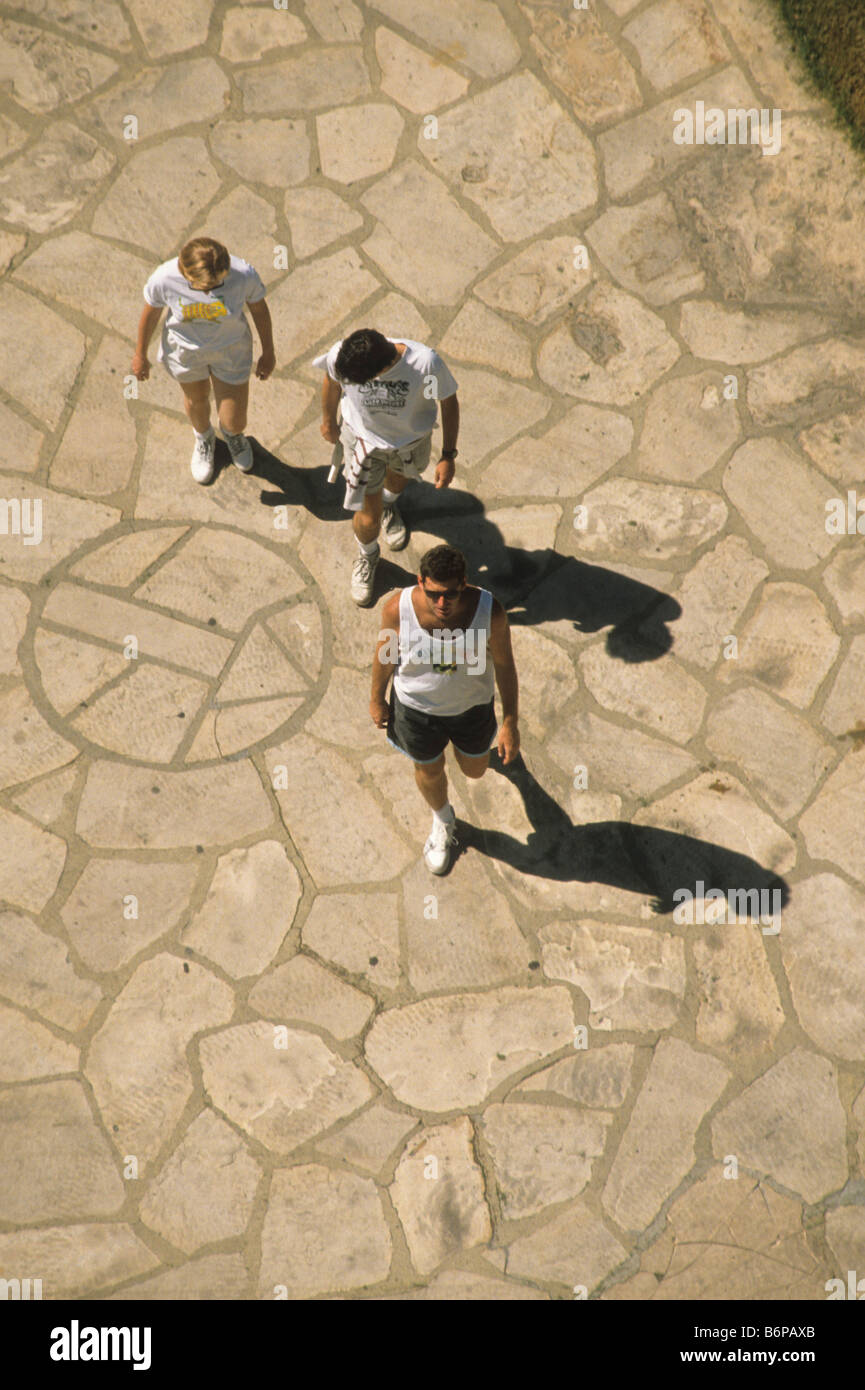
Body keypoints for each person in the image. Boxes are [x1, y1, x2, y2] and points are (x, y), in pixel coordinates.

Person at [370, 544, 520, 874]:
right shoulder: (398, 609)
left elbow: (505, 665)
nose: (443, 603)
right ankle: (443, 820)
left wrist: (510, 721)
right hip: (415, 710)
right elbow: (386, 655)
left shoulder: (489, 611)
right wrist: (376, 699)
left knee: (475, 770)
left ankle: (473, 759)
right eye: (435, 593)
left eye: (451, 594)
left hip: (471, 710)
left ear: (464, 583)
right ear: (421, 581)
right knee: (429, 769)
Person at [315, 328, 460, 605]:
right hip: (362, 445)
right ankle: (368, 554)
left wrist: (448, 455)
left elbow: (448, 401)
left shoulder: (425, 364)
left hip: (409, 445)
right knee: (368, 518)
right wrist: (327, 420)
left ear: (381, 371)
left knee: (396, 482)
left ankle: (389, 504)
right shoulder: (343, 356)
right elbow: (331, 381)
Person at [130, 237, 275, 484]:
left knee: (235, 420)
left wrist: (268, 351)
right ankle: (204, 437)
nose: (209, 292)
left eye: (217, 284)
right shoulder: (164, 278)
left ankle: (232, 436)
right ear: (184, 272)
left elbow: (260, 310)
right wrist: (140, 354)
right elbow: (151, 313)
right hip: (186, 353)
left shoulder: (244, 275)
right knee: (196, 400)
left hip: (230, 351)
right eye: (203, 286)